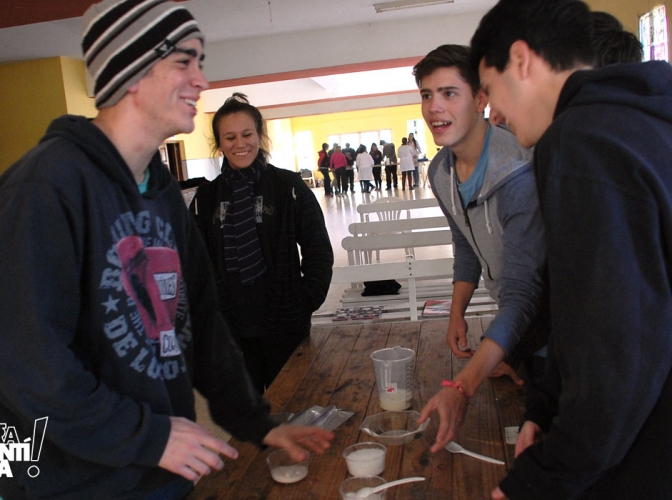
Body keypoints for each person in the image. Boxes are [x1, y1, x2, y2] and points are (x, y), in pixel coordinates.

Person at [0, 2, 333, 498]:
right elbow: (27, 365)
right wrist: (150, 436)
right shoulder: (46, 187)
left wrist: (253, 420)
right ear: (130, 70)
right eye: (184, 61)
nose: (200, 80)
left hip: (160, 476)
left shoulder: (160, 190)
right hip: (76, 480)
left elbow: (199, 317)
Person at [471, 0, 672, 498]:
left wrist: (544, 477)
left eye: (491, 91)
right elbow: (581, 305)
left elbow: (618, 340)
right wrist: (545, 406)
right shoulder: (640, 118)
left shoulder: (580, 139)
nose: (493, 113)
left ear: (522, 60)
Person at [414, 44, 549, 456]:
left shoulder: (517, 172)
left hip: (555, 333)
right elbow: (466, 242)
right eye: (426, 94)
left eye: (449, 93)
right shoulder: (440, 171)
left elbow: (525, 293)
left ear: (481, 99)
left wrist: (463, 385)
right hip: (516, 329)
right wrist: (457, 313)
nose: (435, 107)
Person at [190, 93, 334, 394]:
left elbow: (317, 248)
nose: (239, 144)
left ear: (260, 136)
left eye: (247, 134)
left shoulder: (288, 188)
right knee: (249, 418)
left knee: (294, 405)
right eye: (229, 137)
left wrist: (305, 300)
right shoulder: (205, 198)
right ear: (219, 143)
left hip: (285, 322)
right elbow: (194, 262)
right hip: (230, 329)